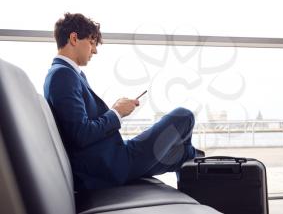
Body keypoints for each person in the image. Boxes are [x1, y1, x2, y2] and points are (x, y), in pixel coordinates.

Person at [44, 13, 202, 191]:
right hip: (111, 166)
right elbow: (81, 134)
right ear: (74, 38)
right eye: (91, 42)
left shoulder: (67, 74)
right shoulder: (62, 75)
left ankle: (194, 168)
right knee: (184, 115)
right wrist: (117, 113)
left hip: (111, 159)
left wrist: (114, 110)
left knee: (182, 155)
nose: (94, 50)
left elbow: (80, 127)